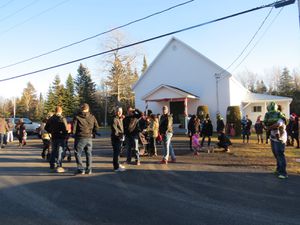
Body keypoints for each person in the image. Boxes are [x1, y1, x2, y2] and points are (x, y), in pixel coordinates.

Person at [73, 103, 99, 175]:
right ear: (88, 109)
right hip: (89, 137)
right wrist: (93, 133)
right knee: (88, 153)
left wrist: (73, 135)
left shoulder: (77, 117)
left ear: (82, 109)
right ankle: (89, 169)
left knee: (77, 153)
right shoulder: (92, 116)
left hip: (80, 137)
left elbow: (74, 129)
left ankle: (81, 169)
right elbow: (97, 126)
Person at [264, 102, 288, 179]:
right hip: (273, 138)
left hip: (280, 139)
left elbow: (278, 125)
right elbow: (267, 123)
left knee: (280, 154)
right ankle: (278, 169)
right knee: (276, 154)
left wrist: (268, 128)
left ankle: (283, 173)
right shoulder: (271, 117)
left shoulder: (281, 117)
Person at [45, 106, 68, 173]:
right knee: (60, 151)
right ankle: (59, 165)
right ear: (61, 111)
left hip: (54, 136)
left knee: (53, 150)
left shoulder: (51, 118)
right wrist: (65, 134)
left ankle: (52, 164)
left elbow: (46, 127)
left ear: (55, 111)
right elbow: (65, 128)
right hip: (61, 136)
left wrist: (51, 131)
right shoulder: (62, 118)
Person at [111, 106, 126, 172]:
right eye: (118, 111)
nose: (119, 112)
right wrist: (119, 137)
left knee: (118, 152)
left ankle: (117, 164)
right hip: (116, 138)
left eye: (120, 111)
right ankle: (116, 167)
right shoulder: (114, 119)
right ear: (116, 112)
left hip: (120, 137)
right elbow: (115, 130)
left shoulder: (119, 118)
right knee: (116, 153)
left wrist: (121, 118)